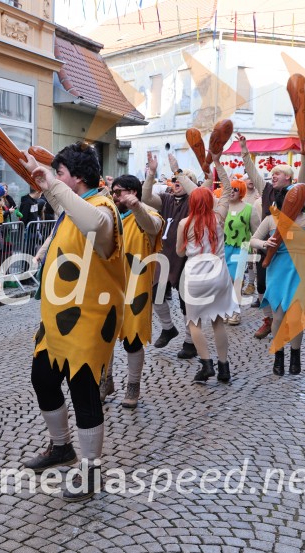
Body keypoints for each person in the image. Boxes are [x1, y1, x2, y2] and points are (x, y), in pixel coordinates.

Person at [19, 142, 126, 502]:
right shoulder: (74, 204)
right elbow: (64, 207)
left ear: (76, 178)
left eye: (61, 173)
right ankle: (61, 447)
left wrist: (52, 182)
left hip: (90, 320)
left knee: (83, 391)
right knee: (43, 378)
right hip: (58, 319)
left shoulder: (104, 207)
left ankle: (91, 468)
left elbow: (94, 225)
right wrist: (34, 168)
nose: (56, 180)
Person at [249, 185, 305, 376]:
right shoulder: (271, 220)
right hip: (278, 271)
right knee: (279, 317)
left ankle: (295, 357)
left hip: (300, 270)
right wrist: (265, 243)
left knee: (296, 318)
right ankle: (279, 355)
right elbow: (253, 240)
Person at [239, 132, 305, 340]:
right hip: (269, 245)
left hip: (292, 251)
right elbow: (253, 173)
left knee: (288, 287)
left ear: (288, 176)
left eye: (277, 173)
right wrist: (245, 150)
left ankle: (284, 318)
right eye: (272, 172)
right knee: (262, 285)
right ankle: (269, 319)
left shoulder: (297, 191)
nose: (273, 175)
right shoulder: (267, 189)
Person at [98, 174, 163, 407]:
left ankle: (133, 386)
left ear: (133, 193)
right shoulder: (109, 215)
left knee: (132, 339)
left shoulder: (148, 215)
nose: (114, 196)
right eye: (113, 192)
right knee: (105, 336)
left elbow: (152, 226)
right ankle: (105, 380)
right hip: (108, 285)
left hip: (136, 287)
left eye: (119, 192)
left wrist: (137, 207)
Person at [176, 169, 238, 383]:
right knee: (218, 322)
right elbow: (228, 189)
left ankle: (206, 364)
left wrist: (178, 172)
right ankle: (224, 368)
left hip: (195, 274)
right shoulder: (219, 217)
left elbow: (180, 252)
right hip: (219, 272)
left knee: (194, 322)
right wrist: (218, 164)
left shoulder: (185, 223)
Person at [141, 152, 199, 359]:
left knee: (187, 303)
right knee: (155, 293)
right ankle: (168, 328)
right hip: (163, 254)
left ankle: (190, 342)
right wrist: (152, 174)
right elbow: (146, 197)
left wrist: (178, 171)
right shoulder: (166, 199)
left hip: (185, 257)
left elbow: (197, 193)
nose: (175, 183)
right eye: (174, 180)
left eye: (181, 180)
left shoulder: (195, 202)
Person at [222, 178, 254, 325]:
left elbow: (256, 231)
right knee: (225, 281)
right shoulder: (222, 207)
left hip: (242, 248)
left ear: (240, 191)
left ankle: (235, 312)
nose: (232, 192)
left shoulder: (249, 209)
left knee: (237, 280)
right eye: (229, 189)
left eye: (235, 189)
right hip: (224, 248)